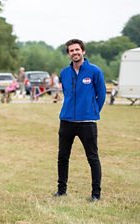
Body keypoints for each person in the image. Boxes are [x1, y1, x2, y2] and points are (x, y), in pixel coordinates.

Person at [54, 39, 106, 202]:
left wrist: (92, 110)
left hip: (87, 123)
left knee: (92, 158)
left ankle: (96, 194)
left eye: (77, 50)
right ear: (68, 54)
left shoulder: (94, 71)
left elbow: (102, 94)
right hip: (67, 121)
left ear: (83, 51)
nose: (75, 53)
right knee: (63, 157)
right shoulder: (64, 73)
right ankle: (61, 190)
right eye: (71, 50)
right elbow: (67, 93)